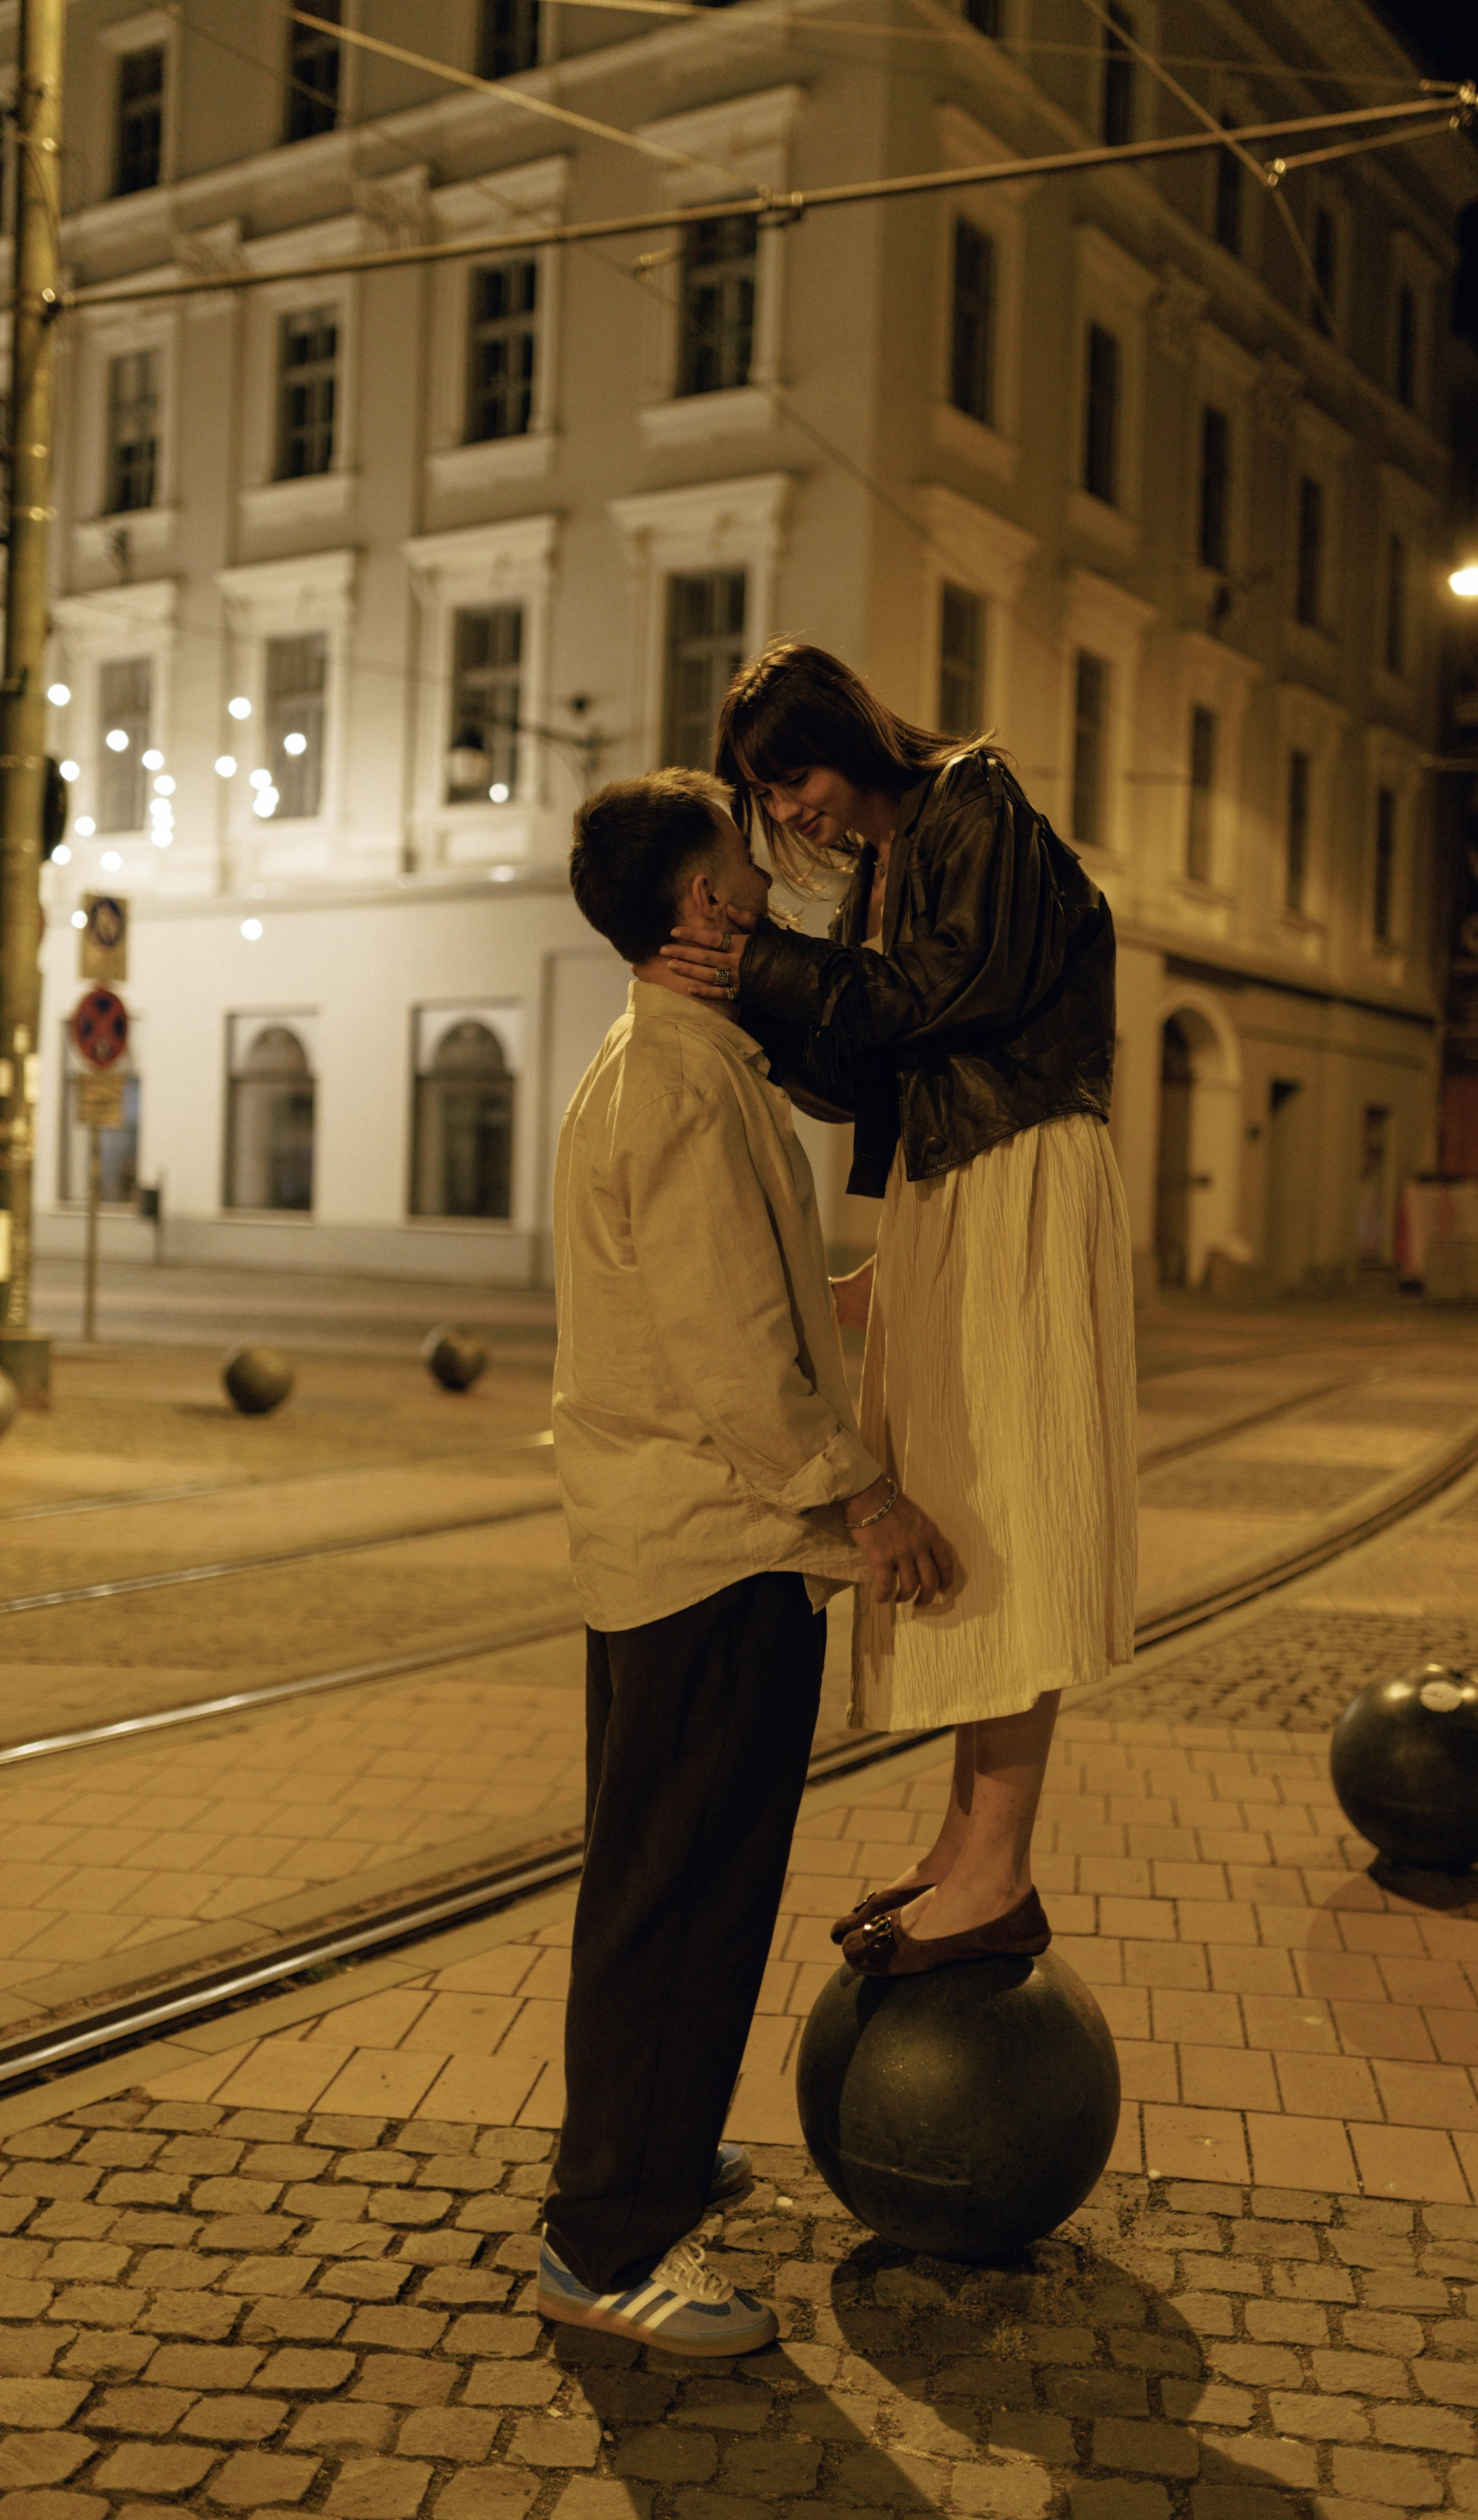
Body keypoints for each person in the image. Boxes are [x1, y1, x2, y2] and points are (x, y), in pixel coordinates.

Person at [540, 765, 956, 2356]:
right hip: (713, 1550)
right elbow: (723, 1353)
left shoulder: (672, 1066)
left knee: (676, 1882)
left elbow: (721, 1296)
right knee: (681, 1895)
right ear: (703, 909)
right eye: (748, 869)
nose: (775, 889)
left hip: (679, 1544)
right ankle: (606, 2246)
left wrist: (848, 1290)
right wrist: (864, 1499)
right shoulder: (684, 1086)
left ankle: (641, 2150)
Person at [661, 641, 1136, 1979]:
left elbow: (940, 998)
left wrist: (761, 964)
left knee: (1011, 1519)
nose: (793, 808)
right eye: (768, 793)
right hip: (960, 1185)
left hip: (1019, 1170)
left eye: (795, 773)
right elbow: (865, 1061)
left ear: (849, 737)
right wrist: (738, 986)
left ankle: (999, 1870)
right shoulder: (889, 863)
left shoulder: (969, 799)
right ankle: (960, 1843)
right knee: (978, 1510)